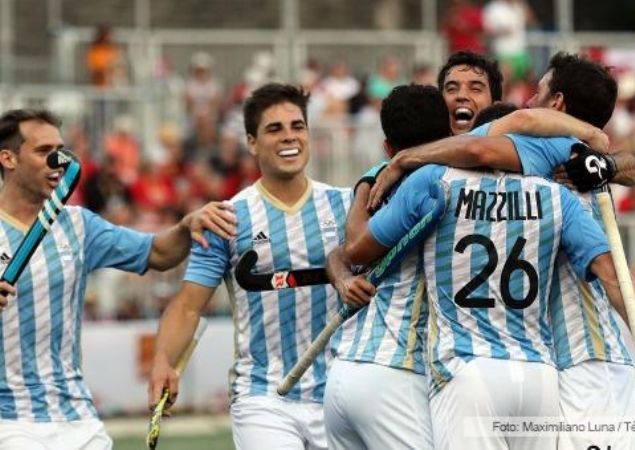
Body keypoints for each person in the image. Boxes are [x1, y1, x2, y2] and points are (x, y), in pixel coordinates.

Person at [367, 52, 635, 450]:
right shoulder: (569, 156)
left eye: (538, 92)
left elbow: (614, 266)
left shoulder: (549, 152)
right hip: (545, 364)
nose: (527, 102)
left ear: (556, 104)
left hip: (585, 355)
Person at [0, 108, 236, 450]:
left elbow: (158, 253)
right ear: (7, 158)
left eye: (61, 150)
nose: (58, 161)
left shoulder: (80, 225)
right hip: (8, 421)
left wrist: (187, 225)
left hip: (76, 414)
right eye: (43, 151)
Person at [148, 83, 351, 450]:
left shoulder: (346, 205)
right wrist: (164, 359)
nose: (289, 137)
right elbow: (189, 304)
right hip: (263, 396)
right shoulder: (228, 217)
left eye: (297, 126)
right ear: (252, 142)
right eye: (275, 129)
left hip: (340, 393)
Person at [322, 84, 452, 450]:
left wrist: (365, 182)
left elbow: (343, 251)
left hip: (344, 372)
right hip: (397, 370)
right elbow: (347, 253)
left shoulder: (371, 187)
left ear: (388, 149)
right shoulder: (444, 186)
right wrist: (344, 276)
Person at [437, 51, 504, 135]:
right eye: (452, 89)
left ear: (495, 106)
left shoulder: (517, 145)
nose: (461, 96)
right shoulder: (420, 144)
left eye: (475, 89)